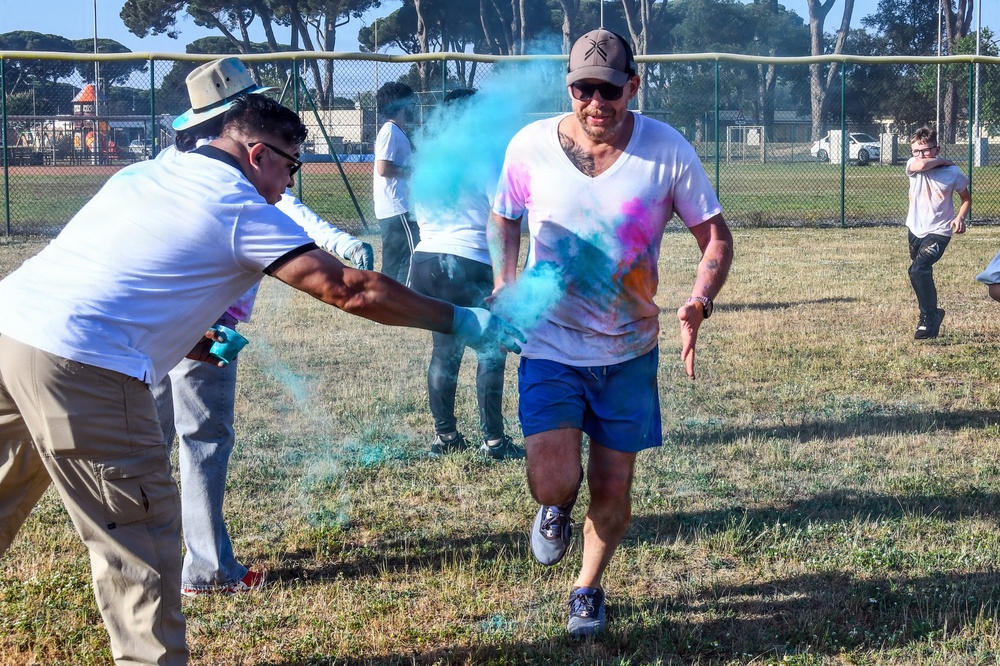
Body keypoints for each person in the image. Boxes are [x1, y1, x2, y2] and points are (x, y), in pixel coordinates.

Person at [0, 92, 523, 666]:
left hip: (10, 333)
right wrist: (466, 320)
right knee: (140, 549)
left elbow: (113, 271)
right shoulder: (238, 204)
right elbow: (350, 289)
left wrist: (193, 338)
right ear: (257, 154)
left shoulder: (145, 173)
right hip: (83, 369)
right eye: (290, 166)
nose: (288, 184)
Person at [488, 28, 733, 637]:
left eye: (609, 89)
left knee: (613, 483)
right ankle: (554, 509)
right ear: (569, 87)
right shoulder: (529, 146)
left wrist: (699, 299)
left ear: (633, 84)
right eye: (583, 89)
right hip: (550, 343)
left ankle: (587, 589)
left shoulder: (667, 149)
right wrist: (506, 282)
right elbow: (504, 216)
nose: (596, 103)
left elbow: (716, 238)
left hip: (629, 349)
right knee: (553, 479)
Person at [151, 57, 375, 598]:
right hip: (207, 327)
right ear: (235, 121)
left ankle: (151, 556)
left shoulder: (168, 165)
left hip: (152, 324)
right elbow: (296, 218)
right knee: (204, 437)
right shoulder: (239, 178)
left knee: (150, 439)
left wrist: (337, 241)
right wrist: (341, 247)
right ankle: (207, 569)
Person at [409, 89, 524, 460]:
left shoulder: (428, 159)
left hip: (426, 262)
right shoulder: (484, 157)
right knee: (491, 350)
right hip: (468, 261)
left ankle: (446, 437)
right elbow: (502, 215)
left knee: (444, 351)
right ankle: (493, 441)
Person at [904, 124, 971, 340]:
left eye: (926, 149)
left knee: (919, 269)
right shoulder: (912, 165)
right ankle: (933, 314)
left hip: (940, 230)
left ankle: (927, 318)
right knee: (918, 272)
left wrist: (959, 217)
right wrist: (943, 160)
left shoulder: (952, 173)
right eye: (916, 150)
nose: (920, 155)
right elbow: (922, 164)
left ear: (937, 148)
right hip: (915, 228)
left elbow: (966, 198)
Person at [373, 81, 420, 284]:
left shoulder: (394, 131)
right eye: (411, 102)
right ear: (401, 104)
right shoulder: (390, 131)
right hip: (398, 207)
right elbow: (383, 168)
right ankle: (404, 303)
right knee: (412, 256)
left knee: (392, 265)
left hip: (393, 209)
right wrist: (413, 172)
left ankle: (384, 306)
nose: (413, 107)